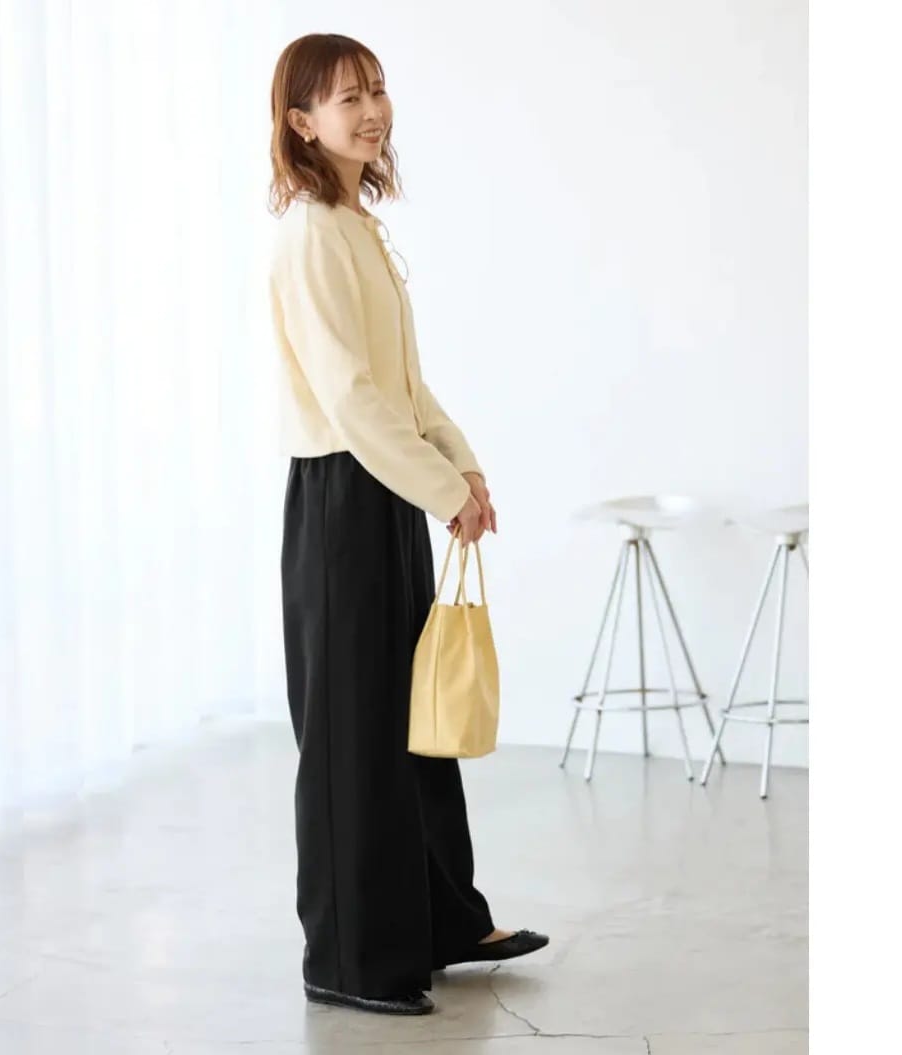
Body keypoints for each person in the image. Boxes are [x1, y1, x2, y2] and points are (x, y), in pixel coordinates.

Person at [266, 33, 549, 1017]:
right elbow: (350, 398)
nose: (370, 111)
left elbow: (405, 384)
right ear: (302, 122)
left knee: (412, 719)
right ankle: (346, 957)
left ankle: (439, 920)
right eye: (346, 98)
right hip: (342, 496)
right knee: (353, 735)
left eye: (376, 91)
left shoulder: (356, 226)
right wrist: (440, 488)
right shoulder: (310, 233)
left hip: (386, 488)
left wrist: (459, 464)